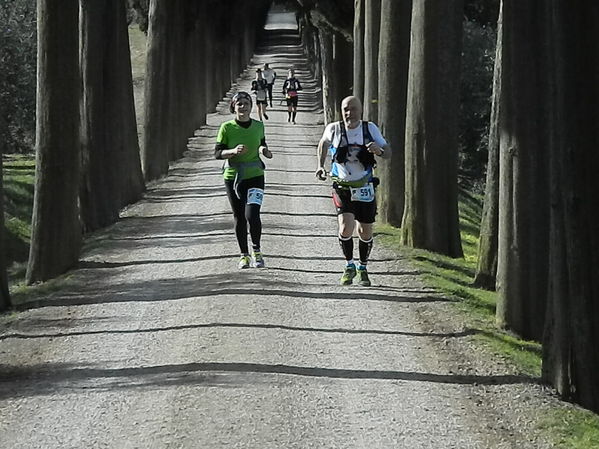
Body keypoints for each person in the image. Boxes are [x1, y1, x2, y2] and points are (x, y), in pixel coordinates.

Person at [316, 96, 390, 286]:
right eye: (346, 109)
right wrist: (320, 166)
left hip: (365, 186)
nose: (350, 113)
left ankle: (363, 267)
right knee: (345, 226)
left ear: (361, 110)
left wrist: (378, 151)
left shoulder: (369, 128)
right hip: (342, 187)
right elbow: (323, 143)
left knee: (364, 232)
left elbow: (388, 151)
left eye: (353, 109)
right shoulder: (334, 128)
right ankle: (349, 265)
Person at [215, 91, 273, 269]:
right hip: (233, 177)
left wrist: (264, 151)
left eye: (246, 103)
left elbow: (262, 143)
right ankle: (244, 255)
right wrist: (232, 152)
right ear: (234, 107)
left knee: (252, 214)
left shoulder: (258, 126)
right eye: (239, 103)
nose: (243, 106)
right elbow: (217, 153)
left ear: (251, 106)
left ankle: (257, 251)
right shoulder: (226, 128)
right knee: (239, 216)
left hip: (255, 175)